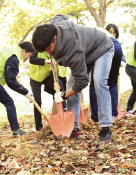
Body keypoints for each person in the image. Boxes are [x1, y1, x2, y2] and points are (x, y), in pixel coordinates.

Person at [32, 14, 115, 143]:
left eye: (49, 48)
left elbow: (82, 82)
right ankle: (73, 128)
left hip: (102, 47)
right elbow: (60, 16)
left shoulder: (72, 50)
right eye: (45, 51)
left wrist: (65, 95)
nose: (48, 53)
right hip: (86, 53)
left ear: (55, 38)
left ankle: (105, 127)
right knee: (71, 85)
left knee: (99, 80)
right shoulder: (53, 27)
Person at [0, 42, 34, 136]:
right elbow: (11, 81)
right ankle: (16, 130)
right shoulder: (14, 57)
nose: (28, 58)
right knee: (9, 102)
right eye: (29, 55)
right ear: (23, 50)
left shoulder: (10, 50)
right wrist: (25, 92)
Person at [90, 26, 123, 122]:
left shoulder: (87, 35)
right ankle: (112, 115)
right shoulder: (98, 32)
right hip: (117, 47)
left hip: (104, 47)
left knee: (93, 84)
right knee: (113, 83)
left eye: (114, 32)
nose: (112, 33)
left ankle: (96, 116)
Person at [29, 52, 66, 131]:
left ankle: (64, 110)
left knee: (59, 84)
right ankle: (39, 127)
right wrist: (46, 61)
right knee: (37, 101)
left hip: (46, 75)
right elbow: (32, 59)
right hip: (35, 77)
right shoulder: (37, 49)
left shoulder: (54, 50)